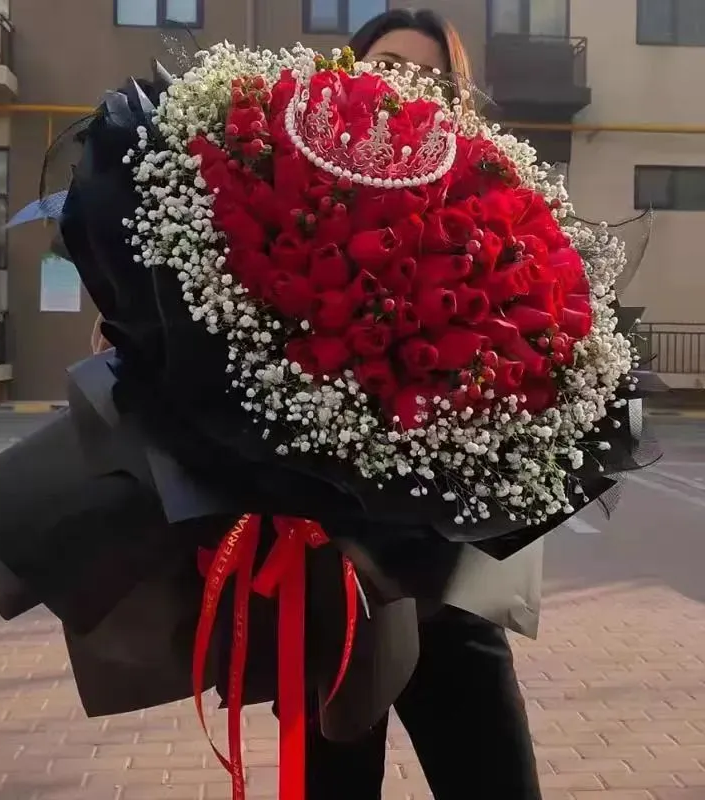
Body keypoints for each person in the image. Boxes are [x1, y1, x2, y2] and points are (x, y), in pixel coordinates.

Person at [303, 10, 544, 800]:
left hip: (449, 583)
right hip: (329, 587)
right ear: (347, 73)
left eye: (432, 78)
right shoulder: (288, 194)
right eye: (388, 64)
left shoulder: (489, 206)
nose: (406, 86)